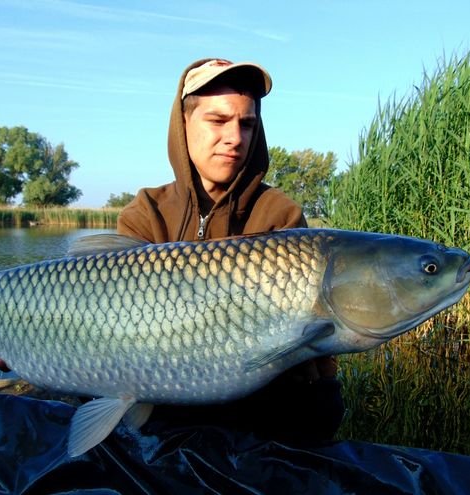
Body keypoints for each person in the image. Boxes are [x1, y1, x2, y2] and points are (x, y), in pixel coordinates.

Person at [116, 58, 344, 442]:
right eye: (218, 121)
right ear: (183, 124)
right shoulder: (146, 214)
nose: (235, 138)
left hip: (254, 409)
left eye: (247, 124)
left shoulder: (279, 215)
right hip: (156, 396)